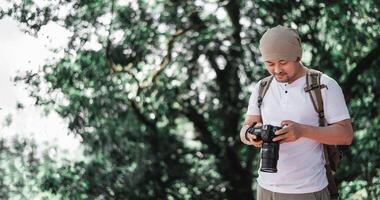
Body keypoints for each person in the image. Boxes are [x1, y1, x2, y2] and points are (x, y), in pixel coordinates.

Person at [240, 25, 353, 200]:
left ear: (297, 56)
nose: (276, 70)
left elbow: (346, 135)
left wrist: (302, 131)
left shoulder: (325, 86)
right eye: (270, 63)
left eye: (283, 62)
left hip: (308, 190)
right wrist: (251, 135)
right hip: (265, 188)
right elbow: (246, 127)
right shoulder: (262, 87)